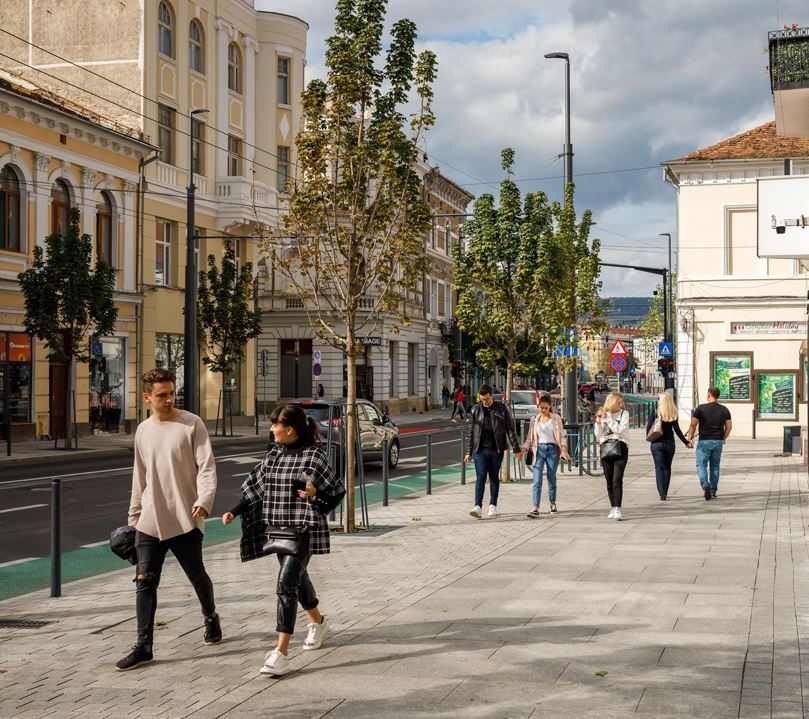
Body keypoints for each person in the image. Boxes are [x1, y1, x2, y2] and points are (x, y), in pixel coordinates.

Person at [223, 404, 345, 677]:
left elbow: (336, 492)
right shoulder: (274, 456)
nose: (271, 429)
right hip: (278, 530)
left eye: (274, 425)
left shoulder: (315, 457)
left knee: (285, 584)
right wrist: (234, 510)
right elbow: (255, 488)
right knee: (297, 580)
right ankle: (318, 622)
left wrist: (314, 494)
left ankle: (281, 652)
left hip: (303, 531)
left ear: (289, 429)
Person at [116, 368, 220, 672]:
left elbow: (207, 467)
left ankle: (211, 617)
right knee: (144, 581)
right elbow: (140, 475)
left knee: (197, 576)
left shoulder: (191, 424)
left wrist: (203, 500)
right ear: (147, 397)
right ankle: (144, 646)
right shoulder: (143, 431)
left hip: (185, 516)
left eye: (171, 393)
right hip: (150, 519)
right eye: (162, 395)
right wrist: (134, 514)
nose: (169, 399)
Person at [463, 384, 522, 519]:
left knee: (494, 478)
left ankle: (492, 506)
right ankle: (477, 507)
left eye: (487, 399)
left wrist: (516, 448)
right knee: (481, 477)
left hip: (496, 450)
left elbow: (510, 429)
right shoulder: (475, 410)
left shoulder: (501, 409)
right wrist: (468, 452)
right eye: (483, 399)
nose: (485, 402)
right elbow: (471, 431)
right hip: (480, 451)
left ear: (491, 395)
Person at [522, 394, 570, 518]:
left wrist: (563, 450)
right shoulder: (534, 419)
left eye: (546, 408)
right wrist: (523, 449)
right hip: (538, 450)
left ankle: (552, 503)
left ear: (550, 407)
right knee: (537, 480)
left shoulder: (556, 418)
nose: (543, 410)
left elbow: (561, 436)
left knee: (551, 477)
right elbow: (529, 437)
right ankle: (535, 508)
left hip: (552, 450)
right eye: (541, 408)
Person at [686, 387, 732, 500]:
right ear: (718, 396)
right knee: (715, 466)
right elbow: (729, 427)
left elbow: (693, 424)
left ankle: (705, 484)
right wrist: (723, 438)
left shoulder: (701, 409)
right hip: (718, 441)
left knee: (701, 465)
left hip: (704, 441)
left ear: (709, 394)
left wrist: (690, 436)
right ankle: (712, 490)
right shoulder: (724, 410)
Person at [647, 392, 691, 500]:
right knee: (667, 467)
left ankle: (661, 493)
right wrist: (686, 442)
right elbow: (677, 430)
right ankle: (665, 491)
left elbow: (648, 429)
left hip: (657, 444)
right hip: (670, 444)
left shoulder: (656, 412)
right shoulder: (673, 413)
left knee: (659, 467)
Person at [594, 392, 630, 521]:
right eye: (618, 402)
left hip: (620, 448)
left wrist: (608, 418)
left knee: (617, 479)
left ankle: (618, 508)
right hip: (605, 448)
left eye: (621, 402)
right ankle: (613, 507)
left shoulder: (624, 414)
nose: (621, 404)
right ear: (611, 402)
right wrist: (598, 423)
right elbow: (598, 435)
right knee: (609, 480)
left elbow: (620, 430)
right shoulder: (602, 414)